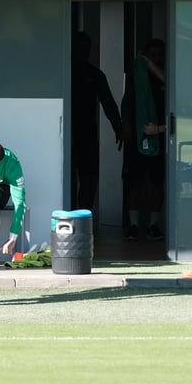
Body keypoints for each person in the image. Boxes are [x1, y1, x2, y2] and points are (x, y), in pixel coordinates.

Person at [71, 32, 122, 216]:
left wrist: (118, 127)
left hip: (87, 132)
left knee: (88, 178)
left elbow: (108, 103)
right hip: (66, 132)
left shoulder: (94, 74)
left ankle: (83, 216)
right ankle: (68, 216)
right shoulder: (64, 72)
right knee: (65, 176)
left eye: (86, 49)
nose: (83, 52)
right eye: (79, 48)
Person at [123, 38, 166, 241]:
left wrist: (159, 130)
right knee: (135, 182)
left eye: (159, 55)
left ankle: (153, 225)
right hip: (137, 137)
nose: (156, 59)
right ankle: (132, 225)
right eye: (152, 56)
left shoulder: (166, 78)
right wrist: (125, 127)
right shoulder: (137, 77)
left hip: (162, 137)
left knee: (158, 182)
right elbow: (127, 102)